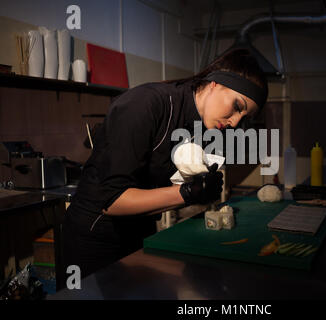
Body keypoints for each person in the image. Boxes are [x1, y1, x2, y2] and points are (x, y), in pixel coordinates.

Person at [62, 48, 268, 279]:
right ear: (215, 84)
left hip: (140, 235)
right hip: (94, 239)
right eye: (237, 106)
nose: (235, 122)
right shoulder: (145, 104)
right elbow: (111, 201)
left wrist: (196, 186)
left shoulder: (205, 126)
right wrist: (186, 193)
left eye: (244, 118)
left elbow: (159, 188)